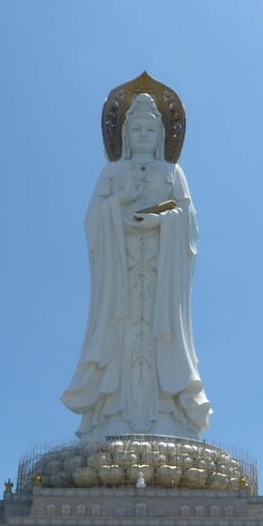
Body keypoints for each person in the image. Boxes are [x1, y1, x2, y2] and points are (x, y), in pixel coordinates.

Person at [61, 88, 212, 441]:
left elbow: (188, 221)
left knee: (162, 338)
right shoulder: (111, 173)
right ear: (126, 136)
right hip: (121, 279)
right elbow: (93, 221)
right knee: (119, 333)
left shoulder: (173, 173)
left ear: (160, 136)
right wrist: (119, 203)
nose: (143, 137)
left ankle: (168, 415)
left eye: (150, 131)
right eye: (137, 131)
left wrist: (165, 221)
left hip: (161, 278)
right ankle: (110, 416)